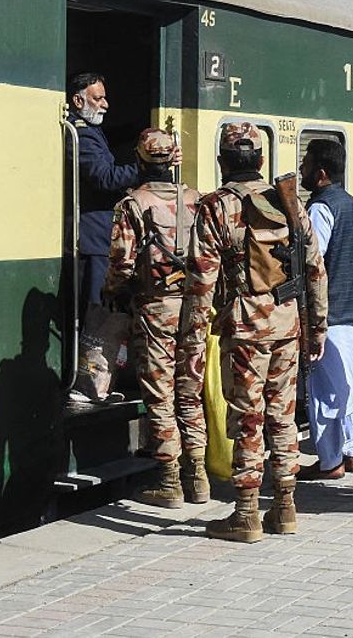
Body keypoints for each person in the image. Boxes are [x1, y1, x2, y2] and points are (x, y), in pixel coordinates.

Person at [182, 122, 328, 542]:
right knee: (282, 417)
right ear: (262, 160)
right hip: (288, 322)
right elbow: (315, 269)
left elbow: (201, 281)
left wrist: (192, 342)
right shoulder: (288, 201)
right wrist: (317, 328)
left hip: (244, 326)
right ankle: (285, 507)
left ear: (222, 161)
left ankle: (246, 512)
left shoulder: (215, 207)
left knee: (248, 419)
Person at [101, 129, 206, 508]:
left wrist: (111, 292)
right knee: (190, 392)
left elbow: (121, 264)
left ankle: (170, 481)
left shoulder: (132, 204)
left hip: (155, 309)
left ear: (142, 161)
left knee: (161, 394)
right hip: (195, 309)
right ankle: (199, 477)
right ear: (172, 160)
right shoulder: (197, 200)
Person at [299, 138, 353, 479]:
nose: (302, 170)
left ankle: (330, 461)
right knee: (346, 384)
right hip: (349, 309)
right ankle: (351, 449)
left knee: (324, 389)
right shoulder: (352, 204)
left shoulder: (320, 207)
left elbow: (315, 263)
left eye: (307, 164)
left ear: (321, 173)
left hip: (327, 312)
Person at [67, 73, 150, 311]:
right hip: (92, 237)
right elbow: (104, 178)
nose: (105, 104)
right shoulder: (81, 134)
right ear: (78, 101)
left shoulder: (91, 131)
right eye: (98, 98)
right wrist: (146, 167)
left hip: (97, 236)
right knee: (96, 310)